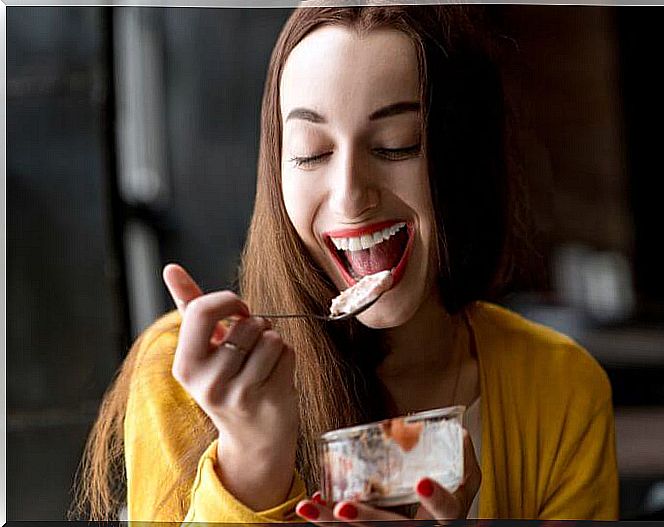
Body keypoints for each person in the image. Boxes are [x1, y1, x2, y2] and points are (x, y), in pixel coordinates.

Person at [72, 5, 618, 523]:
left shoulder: (559, 386)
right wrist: (249, 462)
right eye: (311, 152)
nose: (351, 194)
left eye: (398, 145)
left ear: (466, 163)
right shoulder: (190, 380)